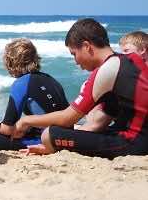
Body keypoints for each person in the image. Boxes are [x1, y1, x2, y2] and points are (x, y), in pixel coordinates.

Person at [14, 18, 148, 158]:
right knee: (59, 134)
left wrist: (26, 120)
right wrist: (67, 141)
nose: (76, 61)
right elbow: (97, 124)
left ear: (86, 46)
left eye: (74, 54)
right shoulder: (128, 61)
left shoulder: (107, 69)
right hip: (137, 137)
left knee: (49, 134)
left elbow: (67, 118)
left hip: (133, 143)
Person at [0, 38, 68, 151]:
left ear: (11, 62)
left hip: (45, 140)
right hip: (65, 136)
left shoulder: (21, 83)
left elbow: (7, 129)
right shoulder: (51, 80)